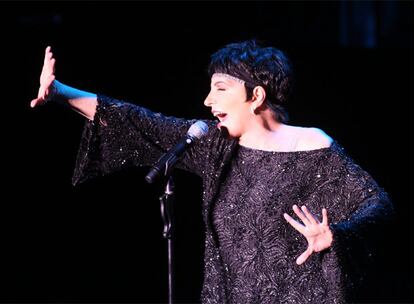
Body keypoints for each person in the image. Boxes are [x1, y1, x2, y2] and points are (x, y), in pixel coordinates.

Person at [31, 40, 393, 303]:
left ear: (256, 97)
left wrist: (338, 237)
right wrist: (60, 91)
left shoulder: (312, 146)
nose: (207, 101)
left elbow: (378, 205)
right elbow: (138, 123)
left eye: (220, 89)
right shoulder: (217, 146)